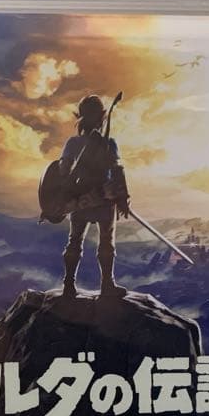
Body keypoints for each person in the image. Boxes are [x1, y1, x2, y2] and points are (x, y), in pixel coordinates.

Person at [57, 94, 130, 298]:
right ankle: (107, 285)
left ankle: (69, 285)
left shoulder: (73, 143)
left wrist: (68, 194)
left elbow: (63, 171)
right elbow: (116, 171)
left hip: (81, 200)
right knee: (105, 242)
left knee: (75, 241)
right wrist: (122, 198)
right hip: (103, 199)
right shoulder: (109, 143)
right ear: (101, 117)